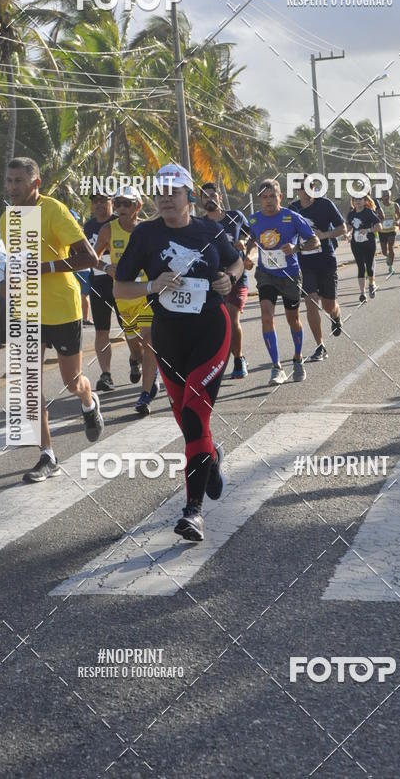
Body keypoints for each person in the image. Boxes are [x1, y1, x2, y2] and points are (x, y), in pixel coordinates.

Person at [114, 163, 244, 542]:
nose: (167, 197)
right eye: (161, 191)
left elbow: (235, 260)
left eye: (174, 190)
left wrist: (229, 277)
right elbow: (121, 288)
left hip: (210, 331)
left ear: (189, 196)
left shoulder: (208, 229)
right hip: (168, 336)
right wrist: (152, 284)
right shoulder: (146, 234)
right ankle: (211, 455)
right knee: (188, 422)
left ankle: (193, 512)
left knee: (193, 412)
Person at [1, 157, 104, 483]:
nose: (13, 187)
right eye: (9, 181)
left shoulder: (54, 211)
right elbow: (15, 262)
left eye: (19, 181)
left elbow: (90, 257)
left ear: (36, 183)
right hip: (26, 311)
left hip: (62, 309)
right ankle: (48, 454)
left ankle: (89, 402)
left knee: (72, 382)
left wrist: (44, 268)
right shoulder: (7, 219)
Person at [244, 178, 320, 385]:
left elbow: (315, 240)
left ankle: (297, 358)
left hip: (290, 275)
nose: (268, 201)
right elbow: (251, 238)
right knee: (267, 316)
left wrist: (296, 248)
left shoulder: (292, 217)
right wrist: (248, 255)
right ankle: (276, 367)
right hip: (266, 274)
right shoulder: (254, 219)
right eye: (264, 197)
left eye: (272, 196)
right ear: (259, 199)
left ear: (280, 196)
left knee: (292, 319)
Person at [94, 187, 160, 417]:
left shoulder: (147, 230)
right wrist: (105, 266)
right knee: (136, 347)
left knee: (149, 340)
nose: (121, 208)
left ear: (137, 207)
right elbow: (93, 257)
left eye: (126, 204)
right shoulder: (108, 230)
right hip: (123, 297)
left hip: (146, 294)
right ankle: (136, 360)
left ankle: (146, 393)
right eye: (118, 203)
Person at [290, 176, 346, 360]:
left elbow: (342, 228)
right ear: (297, 190)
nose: (305, 191)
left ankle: (336, 315)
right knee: (311, 302)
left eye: (308, 187)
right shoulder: (292, 209)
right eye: (301, 188)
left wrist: (324, 235)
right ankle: (320, 346)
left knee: (328, 305)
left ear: (314, 188)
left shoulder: (325, 204)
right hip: (304, 263)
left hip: (326, 260)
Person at [200, 181, 251, 379]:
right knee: (215, 325)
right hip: (212, 281)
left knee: (231, 318)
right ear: (201, 200)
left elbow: (250, 235)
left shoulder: (235, 217)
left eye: (213, 195)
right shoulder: (201, 224)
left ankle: (238, 359)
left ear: (220, 196)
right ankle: (216, 363)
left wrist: (245, 245)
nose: (209, 198)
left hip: (236, 277)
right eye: (205, 196)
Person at [83, 193, 121, 391]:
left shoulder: (119, 222)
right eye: (95, 202)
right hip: (98, 285)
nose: (98, 205)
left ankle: (136, 360)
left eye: (103, 201)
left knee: (133, 330)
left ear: (111, 203)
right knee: (101, 331)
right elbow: (85, 255)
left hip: (122, 284)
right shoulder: (88, 227)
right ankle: (106, 375)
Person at [346, 195, 381, 301]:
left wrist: (368, 230)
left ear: (364, 200)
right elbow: (349, 227)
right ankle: (362, 293)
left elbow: (379, 227)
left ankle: (371, 283)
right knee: (361, 267)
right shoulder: (351, 214)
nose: (358, 202)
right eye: (355, 200)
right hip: (356, 244)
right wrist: (347, 234)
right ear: (353, 201)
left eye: (360, 199)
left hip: (369, 243)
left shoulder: (369, 212)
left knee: (369, 267)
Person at [70, 207, 93, 325]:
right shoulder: (72, 235)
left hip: (79, 270)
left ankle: (82, 318)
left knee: (81, 296)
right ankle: (81, 318)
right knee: (79, 296)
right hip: (76, 270)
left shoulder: (79, 234)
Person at [376, 188, 400, 275]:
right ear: (382, 197)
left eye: (388, 196)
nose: (386, 197)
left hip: (392, 229)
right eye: (384, 196)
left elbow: (399, 216)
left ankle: (391, 266)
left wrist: (397, 221)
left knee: (391, 248)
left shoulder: (395, 205)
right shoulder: (379, 206)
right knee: (384, 251)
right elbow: (375, 216)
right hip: (382, 231)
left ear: (390, 196)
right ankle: (387, 257)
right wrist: (379, 221)